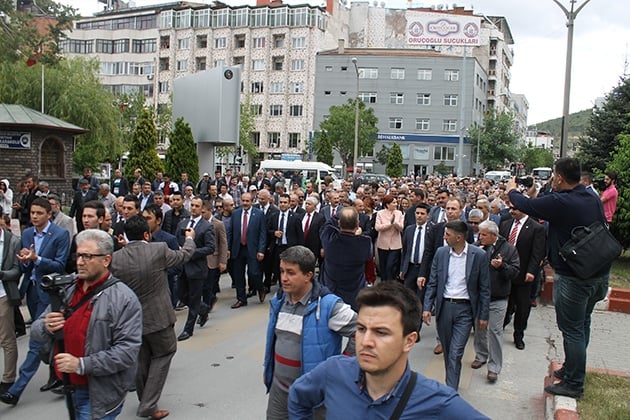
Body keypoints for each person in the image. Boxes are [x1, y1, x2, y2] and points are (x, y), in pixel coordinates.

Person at [288, 281, 488, 419]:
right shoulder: (333, 371)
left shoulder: (437, 402)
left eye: (381, 333)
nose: (365, 341)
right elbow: (298, 397)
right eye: (361, 329)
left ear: (409, 341)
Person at [507, 158, 610, 399]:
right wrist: (533, 192)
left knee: (572, 330)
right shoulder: (589, 195)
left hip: (574, 277)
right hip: (597, 273)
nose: (552, 178)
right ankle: (572, 368)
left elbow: (524, 204)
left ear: (560, 177)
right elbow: (541, 204)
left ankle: (574, 383)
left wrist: (513, 188)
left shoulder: (561, 201)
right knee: (583, 324)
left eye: (554, 175)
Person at [31, 229, 142, 419]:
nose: (80, 262)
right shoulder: (67, 288)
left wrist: (81, 364)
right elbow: (36, 330)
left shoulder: (124, 299)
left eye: (87, 256)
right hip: (69, 385)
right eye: (78, 255)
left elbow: (126, 352)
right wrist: (46, 326)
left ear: (106, 260)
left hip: (99, 392)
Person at [111, 215, 195, 419]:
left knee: (142, 360)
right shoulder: (158, 249)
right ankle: (148, 404)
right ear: (146, 234)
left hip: (130, 321)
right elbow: (183, 256)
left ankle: (146, 401)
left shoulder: (115, 259)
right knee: (164, 353)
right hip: (159, 318)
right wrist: (190, 239)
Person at [264, 246, 357, 419]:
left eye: (291, 273)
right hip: (279, 391)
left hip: (313, 396)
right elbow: (274, 341)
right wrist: (268, 370)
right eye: (282, 271)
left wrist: (344, 364)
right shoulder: (279, 301)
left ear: (308, 275)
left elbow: (361, 332)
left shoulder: (329, 306)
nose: (284, 278)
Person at [422, 220, 490, 390]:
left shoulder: (478, 256)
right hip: (444, 308)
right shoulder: (441, 253)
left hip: (465, 311)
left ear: (459, 238)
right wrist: (426, 307)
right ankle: (451, 382)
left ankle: (450, 391)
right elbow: (433, 282)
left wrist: (483, 315)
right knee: (447, 350)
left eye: (447, 235)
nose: (444, 237)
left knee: (455, 352)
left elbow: (484, 288)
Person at [471, 221, 519, 383]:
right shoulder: (477, 246)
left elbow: (515, 272)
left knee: (495, 331)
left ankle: (494, 367)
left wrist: (502, 266)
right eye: (480, 234)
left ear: (493, 235)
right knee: (479, 328)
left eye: (484, 234)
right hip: (479, 296)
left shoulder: (509, 249)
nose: (480, 237)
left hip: (498, 297)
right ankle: (481, 355)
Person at [500, 203, 546, 350]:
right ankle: (500, 326)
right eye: (511, 208)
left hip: (523, 273)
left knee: (522, 306)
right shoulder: (505, 224)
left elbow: (537, 252)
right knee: (504, 303)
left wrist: (532, 271)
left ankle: (518, 334)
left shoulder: (536, 228)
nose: (512, 211)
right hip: (505, 272)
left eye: (515, 209)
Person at [175, 197, 215, 341]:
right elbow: (176, 241)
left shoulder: (206, 226)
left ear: (202, 208)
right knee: (180, 294)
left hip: (197, 268)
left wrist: (192, 252)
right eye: (192, 205)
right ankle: (203, 308)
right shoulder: (182, 223)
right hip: (182, 267)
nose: (193, 208)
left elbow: (210, 247)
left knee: (194, 297)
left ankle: (188, 329)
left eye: (197, 206)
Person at [319, 206, 372, 311]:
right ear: (357, 224)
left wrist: (342, 213)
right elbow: (369, 256)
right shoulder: (365, 243)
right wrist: (358, 234)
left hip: (330, 293)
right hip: (354, 295)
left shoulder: (329, 239)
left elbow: (327, 224)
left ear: (339, 223)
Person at [227, 192, 267, 309]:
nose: (244, 203)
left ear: (252, 201)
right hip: (238, 248)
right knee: (238, 275)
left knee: (254, 273)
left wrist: (261, 250)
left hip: (252, 249)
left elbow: (262, 234)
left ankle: (260, 288)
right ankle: (241, 299)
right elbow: (230, 232)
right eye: (243, 201)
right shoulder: (235, 214)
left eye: (247, 201)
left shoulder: (259, 214)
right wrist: (228, 248)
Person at [0, 223, 21, 393]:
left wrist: (2, 274)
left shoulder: (13, 241)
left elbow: (17, 270)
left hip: (3, 294)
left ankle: (8, 379)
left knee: (7, 339)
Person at [374, 195, 404, 282]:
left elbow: (402, 228)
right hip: (383, 244)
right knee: (383, 267)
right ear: (387, 204)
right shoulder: (380, 213)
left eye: (396, 202)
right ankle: (384, 284)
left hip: (395, 245)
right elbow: (378, 227)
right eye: (393, 202)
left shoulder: (399, 213)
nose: (396, 204)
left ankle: (391, 284)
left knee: (390, 266)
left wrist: (395, 223)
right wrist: (389, 224)